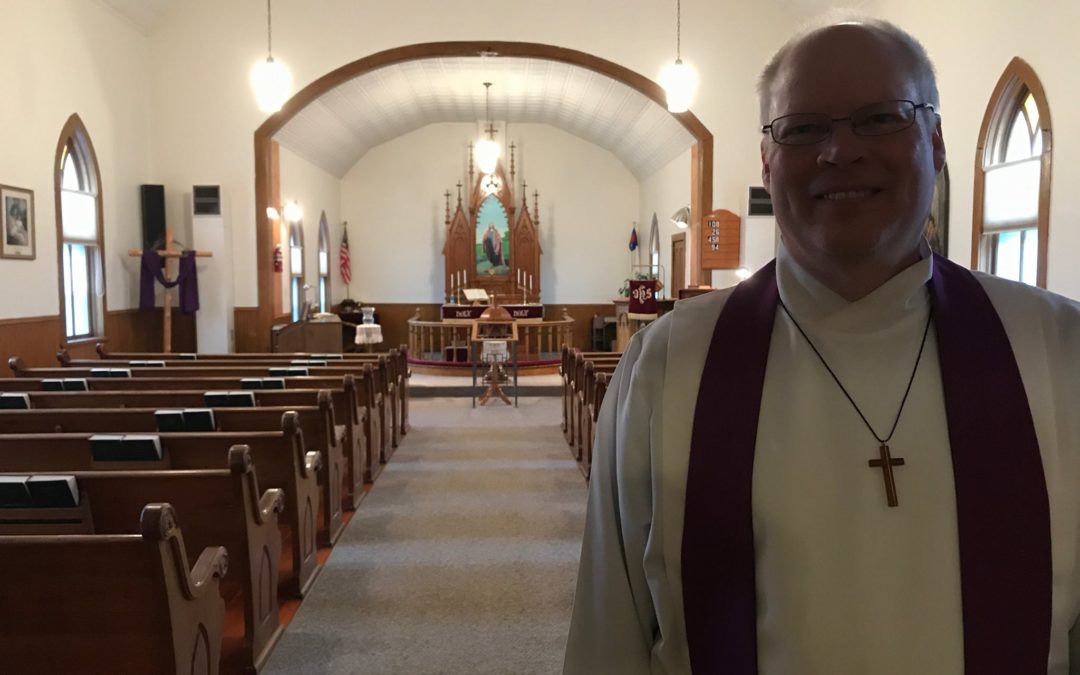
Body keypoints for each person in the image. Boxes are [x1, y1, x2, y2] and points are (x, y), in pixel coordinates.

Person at [564, 17, 1080, 675]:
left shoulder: (1059, 355)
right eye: (803, 128)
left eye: (880, 117)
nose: (840, 150)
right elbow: (610, 640)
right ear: (766, 160)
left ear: (938, 140)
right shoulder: (665, 370)